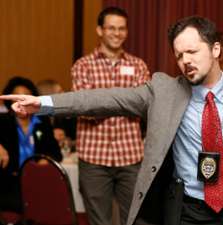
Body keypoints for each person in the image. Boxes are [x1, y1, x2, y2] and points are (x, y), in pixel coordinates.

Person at [0, 16, 223, 225]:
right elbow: (104, 99)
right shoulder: (164, 90)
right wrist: (44, 104)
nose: (185, 60)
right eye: (179, 54)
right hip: (190, 211)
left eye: (192, 52)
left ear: (216, 50)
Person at [72, 6, 150, 225]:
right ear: (100, 30)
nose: (117, 33)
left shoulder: (139, 66)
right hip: (93, 158)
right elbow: (84, 108)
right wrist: (124, 102)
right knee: (99, 222)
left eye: (122, 28)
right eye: (111, 28)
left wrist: (100, 101)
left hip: (131, 156)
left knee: (136, 219)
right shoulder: (82, 66)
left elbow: (142, 106)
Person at [0, 76, 62, 213]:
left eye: (25, 97)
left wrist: (45, 160)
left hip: (37, 182)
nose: (21, 103)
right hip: (8, 183)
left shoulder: (42, 123)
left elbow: (56, 152)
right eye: (17, 98)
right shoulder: (2, 122)